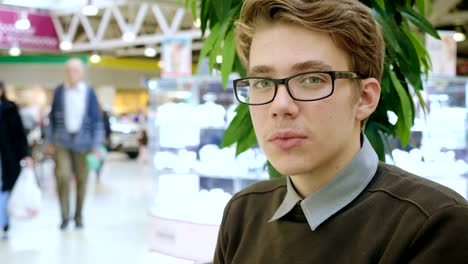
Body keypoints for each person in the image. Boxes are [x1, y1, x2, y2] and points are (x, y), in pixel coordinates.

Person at [214, 0, 468, 263]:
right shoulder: (243, 212)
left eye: (312, 79)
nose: (280, 106)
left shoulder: (433, 225)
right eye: (263, 82)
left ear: (365, 98)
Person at [45, 58, 104, 230]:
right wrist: (49, 141)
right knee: (62, 176)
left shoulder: (89, 92)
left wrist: (96, 145)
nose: (72, 74)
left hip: (84, 144)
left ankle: (78, 215)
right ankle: (64, 216)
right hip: (62, 141)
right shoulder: (59, 91)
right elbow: (51, 120)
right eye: (69, 70)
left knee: (82, 180)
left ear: (82, 73)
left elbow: (96, 121)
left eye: (76, 70)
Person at [0, 81, 33, 238]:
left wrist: (26, 154)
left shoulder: (10, 110)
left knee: (5, 189)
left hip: (7, 157)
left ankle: (4, 222)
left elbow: (19, 134)